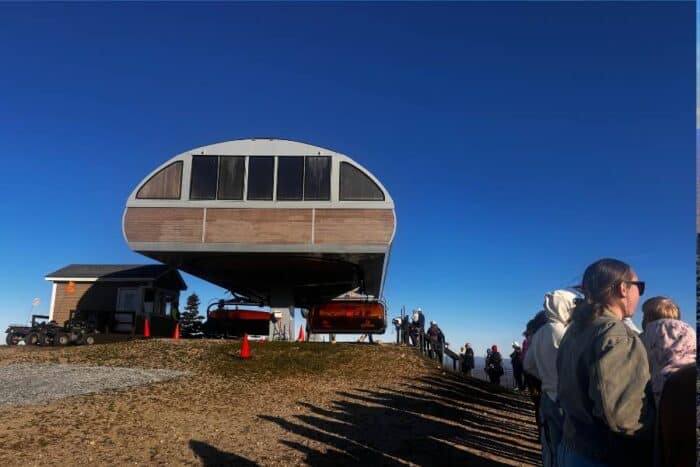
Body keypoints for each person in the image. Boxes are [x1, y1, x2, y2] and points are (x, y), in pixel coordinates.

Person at [556, 258, 655, 467]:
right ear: (623, 289)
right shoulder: (615, 334)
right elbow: (623, 416)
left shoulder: (575, 330)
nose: (640, 293)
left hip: (570, 446)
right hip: (603, 455)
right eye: (640, 286)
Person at [524, 288, 581, 467]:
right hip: (566, 400)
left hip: (546, 398)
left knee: (551, 447)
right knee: (571, 450)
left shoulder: (539, 333)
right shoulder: (567, 333)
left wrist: (545, 376)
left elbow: (528, 364)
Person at [639, 296, 695, 406]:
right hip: (689, 386)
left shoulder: (646, 335)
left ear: (648, 318)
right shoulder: (689, 330)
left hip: (663, 395)